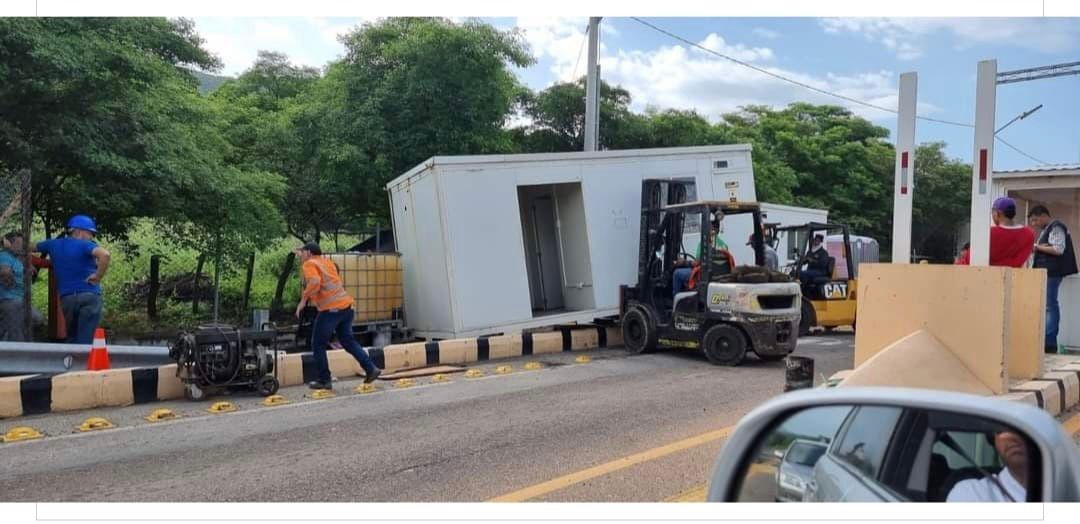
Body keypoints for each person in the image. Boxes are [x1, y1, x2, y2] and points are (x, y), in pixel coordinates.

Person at [295, 242, 382, 390]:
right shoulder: (327, 262)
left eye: (302, 252)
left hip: (330, 311)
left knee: (317, 344)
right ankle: (371, 368)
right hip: (346, 308)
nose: (301, 256)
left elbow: (315, 282)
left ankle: (324, 380)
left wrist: (303, 301)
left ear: (309, 252)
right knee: (348, 342)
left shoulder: (309, 264)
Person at [32, 215, 111, 345]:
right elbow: (105, 254)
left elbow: (28, 247)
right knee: (86, 337)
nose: (91, 237)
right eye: (90, 233)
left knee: (72, 336)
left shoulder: (53, 244)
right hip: (89, 295)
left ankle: (72, 362)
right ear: (79, 232)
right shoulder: (86, 245)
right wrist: (98, 276)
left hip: (67, 298)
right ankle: (86, 363)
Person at [1027, 205, 1078, 353]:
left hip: (1052, 272)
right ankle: (1047, 340)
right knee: (1047, 306)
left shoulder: (1055, 227)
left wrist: (1037, 247)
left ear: (1043, 215)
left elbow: (1058, 249)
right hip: (1048, 272)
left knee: (1050, 306)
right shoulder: (1047, 230)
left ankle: (1049, 343)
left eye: (1035, 220)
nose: (1034, 224)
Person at [947, 431, 1028, 502]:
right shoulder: (971, 493)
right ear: (994, 440)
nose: (1011, 437)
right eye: (1001, 429)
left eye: (1023, 427)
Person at [672, 217, 730, 296]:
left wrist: (684, 262)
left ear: (712, 228)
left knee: (677, 273)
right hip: (718, 276)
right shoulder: (724, 245)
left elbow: (697, 263)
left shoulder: (705, 244)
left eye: (707, 226)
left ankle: (675, 298)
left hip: (703, 275)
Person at [988, 197, 1035, 268]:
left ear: (998, 213)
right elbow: (1019, 261)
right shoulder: (1029, 233)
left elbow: (971, 257)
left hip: (989, 275)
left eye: (993, 212)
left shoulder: (989, 233)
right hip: (1015, 277)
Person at [0, 232, 31, 341]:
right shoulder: (4, 255)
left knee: (38, 318)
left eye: (22, 243)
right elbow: (5, 272)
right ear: (10, 244)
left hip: (20, 299)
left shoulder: (18, 259)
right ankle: (21, 354)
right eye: (18, 243)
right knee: (16, 333)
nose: (21, 246)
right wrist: (11, 279)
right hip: (9, 299)